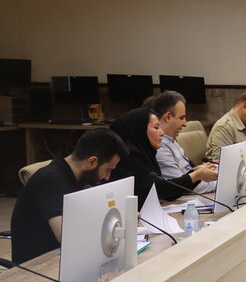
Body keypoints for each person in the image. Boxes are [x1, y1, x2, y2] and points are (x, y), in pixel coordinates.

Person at [10, 128, 128, 264]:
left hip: (64, 258)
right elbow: (66, 236)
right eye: (108, 170)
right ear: (92, 162)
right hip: (38, 266)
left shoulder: (80, 177)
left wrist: (122, 217)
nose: (107, 177)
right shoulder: (50, 179)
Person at [110, 107, 218, 203]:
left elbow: (169, 193)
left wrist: (195, 173)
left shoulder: (146, 154)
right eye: (156, 127)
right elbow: (158, 189)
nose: (162, 132)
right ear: (140, 130)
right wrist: (195, 175)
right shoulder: (129, 158)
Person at [153, 91, 219, 195]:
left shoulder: (171, 139)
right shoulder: (160, 146)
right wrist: (220, 182)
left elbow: (187, 175)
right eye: (182, 118)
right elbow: (181, 186)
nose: (185, 124)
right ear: (168, 117)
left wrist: (200, 170)